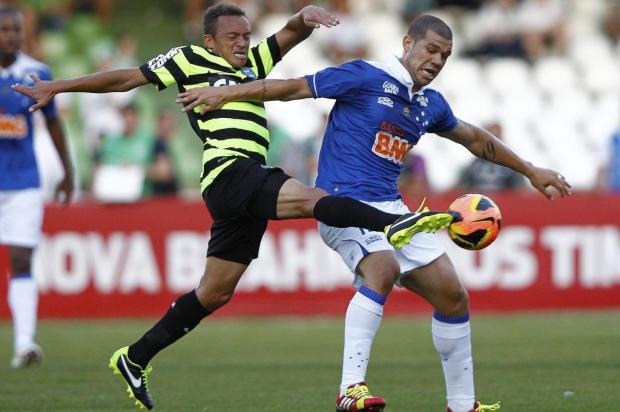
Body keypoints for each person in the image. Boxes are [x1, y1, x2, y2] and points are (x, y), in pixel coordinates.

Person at [13, 4, 453, 409]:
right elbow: (128, 77)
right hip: (229, 171)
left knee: (215, 292)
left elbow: (288, 33)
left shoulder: (256, 64)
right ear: (210, 41)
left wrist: (305, 15)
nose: (243, 42)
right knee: (313, 198)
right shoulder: (190, 59)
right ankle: (396, 223)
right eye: (233, 37)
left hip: (243, 186)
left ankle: (134, 356)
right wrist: (60, 86)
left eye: (246, 34)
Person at [175, 14, 572, 412]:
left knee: (453, 296)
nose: (436, 60)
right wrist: (228, 94)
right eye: (430, 49)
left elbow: (474, 138)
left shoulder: (429, 104)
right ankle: (350, 389)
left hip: (392, 208)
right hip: (341, 203)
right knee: (382, 268)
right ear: (407, 43)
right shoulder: (365, 76)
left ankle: (462, 405)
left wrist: (531, 170)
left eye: (445, 56)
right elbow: (292, 88)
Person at [0, 6, 73, 368]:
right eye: (5, 30)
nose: (12, 36)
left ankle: (25, 343)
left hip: (24, 181)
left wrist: (67, 170)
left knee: (21, 258)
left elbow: (55, 125)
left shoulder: (37, 74)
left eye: (16, 30)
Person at [457, 122, 525, 191]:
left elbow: (519, 190)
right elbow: (461, 187)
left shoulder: (512, 165)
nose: (493, 143)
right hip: (478, 200)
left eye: (497, 137)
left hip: (504, 201)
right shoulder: (473, 165)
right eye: (491, 137)